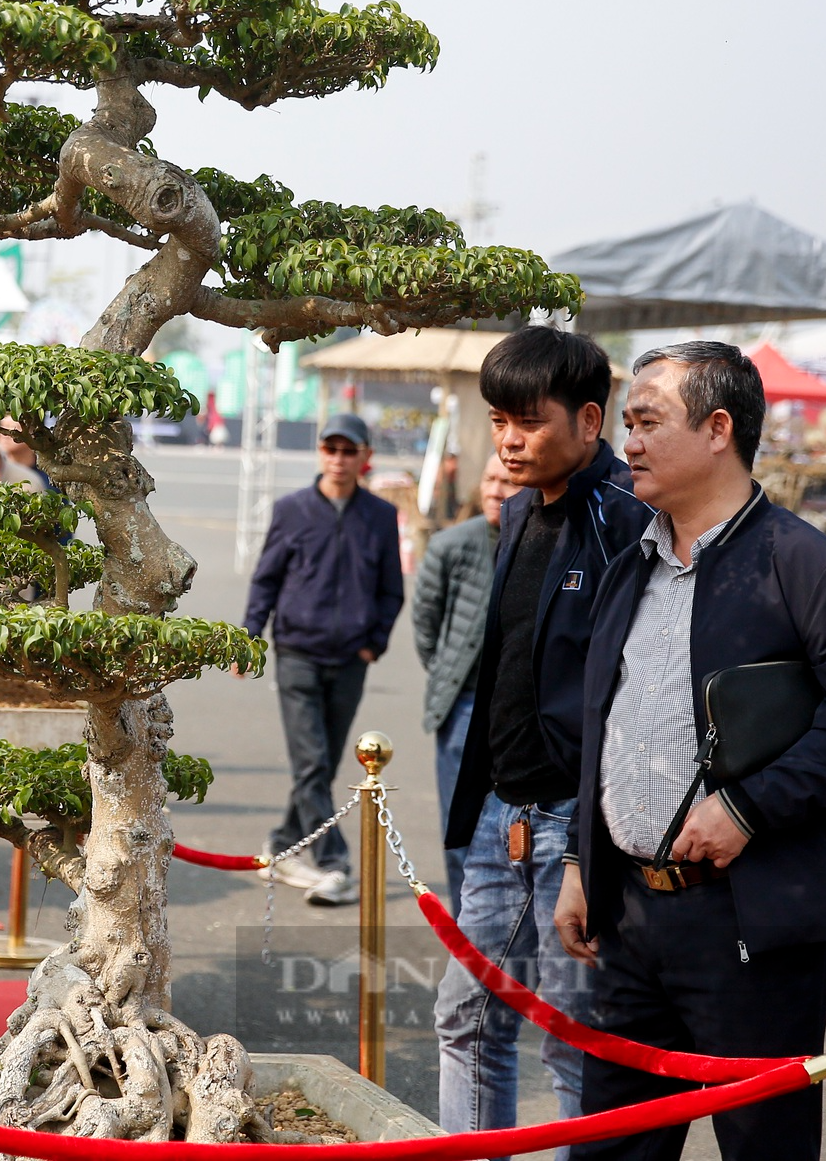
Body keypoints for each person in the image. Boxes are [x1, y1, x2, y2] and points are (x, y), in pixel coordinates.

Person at [557, 343, 826, 1161]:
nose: (630, 443)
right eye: (628, 424)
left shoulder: (807, 568)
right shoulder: (631, 564)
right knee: (609, 1144)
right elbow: (602, 725)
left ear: (719, 429)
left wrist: (748, 807)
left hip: (750, 927)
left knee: (763, 1144)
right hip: (629, 918)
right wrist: (582, 862)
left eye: (647, 422)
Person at [433, 326, 652, 1147]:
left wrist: (586, 854)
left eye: (528, 421)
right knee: (466, 1016)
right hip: (502, 810)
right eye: (497, 422)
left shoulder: (627, 520)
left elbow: (636, 704)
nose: (509, 441)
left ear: (590, 421)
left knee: (575, 1042)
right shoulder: (519, 508)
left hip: (579, 827)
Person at [241, 413, 404, 906]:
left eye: (348, 450)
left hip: (351, 658)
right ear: (320, 453)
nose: (338, 459)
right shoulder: (291, 510)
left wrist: (372, 643)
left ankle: (282, 841)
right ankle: (335, 864)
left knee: (324, 764)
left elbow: (390, 589)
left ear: (364, 457)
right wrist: (251, 635)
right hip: (297, 654)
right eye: (330, 449)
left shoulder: (380, 515)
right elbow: (266, 578)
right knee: (312, 762)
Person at [411, 454, 517, 911]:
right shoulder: (452, 544)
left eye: (509, 481)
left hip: (517, 714)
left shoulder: (545, 544)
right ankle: (466, 928)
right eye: (491, 479)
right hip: (463, 706)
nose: (497, 489)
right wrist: (448, 673)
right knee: (461, 826)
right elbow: (425, 625)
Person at [0, 416, 52, 490]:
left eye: (13, 429)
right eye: (1, 428)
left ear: (33, 432)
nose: (4, 435)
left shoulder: (48, 474)